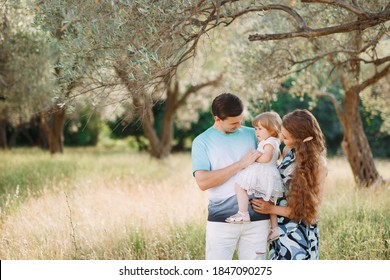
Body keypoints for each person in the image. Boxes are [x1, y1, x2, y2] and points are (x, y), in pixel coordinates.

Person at [191, 93, 270, 260]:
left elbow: (271, 164)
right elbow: (203, 182)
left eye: (240, 120)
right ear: (217, 119)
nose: (239, 125)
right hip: (221, 220)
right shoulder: (202, 142)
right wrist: (240, 164)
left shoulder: (253, 134)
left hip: (257, 220)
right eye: (234, 123)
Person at [251, 109, 328, 260]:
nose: (280, 137)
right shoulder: (288, 150)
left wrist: (271, 208)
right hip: (278, 228)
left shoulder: (319, 164)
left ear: (300, 137)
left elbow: (311, 211)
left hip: (299, 235)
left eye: (285, 136)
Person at [225, 112, 284, 242]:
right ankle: (275, 228)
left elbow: (267, 157)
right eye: (256, 128)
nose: (256, 132)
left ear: (272, 129)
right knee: (269, 201)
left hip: (263, 172)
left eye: (260, 129)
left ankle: (243, 213)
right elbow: (277, 156)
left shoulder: (268, 143)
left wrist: (255, 157)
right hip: (270, 174)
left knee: (239, 186)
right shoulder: (275, 142)